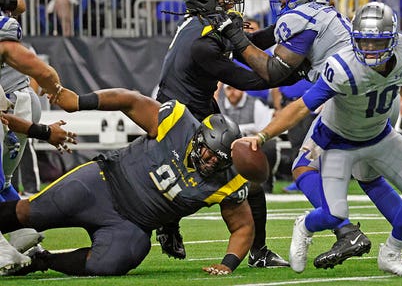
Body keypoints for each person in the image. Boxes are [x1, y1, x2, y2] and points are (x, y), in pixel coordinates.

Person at [221, 0, 402, 269]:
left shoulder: (302, 20)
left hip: (346, 98)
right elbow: (266, 39)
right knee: (369, 175)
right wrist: (236, 43)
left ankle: (345, 231)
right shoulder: (324, 14)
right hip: (377, 99)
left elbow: (273, 72)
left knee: (302, 167)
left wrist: (234, 39)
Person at [0, 87, 259, 277]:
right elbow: (129, 100)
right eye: (209, 153)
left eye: (219, 160)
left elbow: (243, 227)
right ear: (200, 139)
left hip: (133, 225)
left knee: (110, 264)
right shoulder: (177, 122)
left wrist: (228, 263)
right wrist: (80, 101)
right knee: (29, 212)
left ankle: (41, 261)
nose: (212, 162)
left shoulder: (229, 180)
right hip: (102, 184)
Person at [154, 0, 289, 268]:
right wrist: (289, 74)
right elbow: (247, 79)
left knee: (234, 179)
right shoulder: (202, 41)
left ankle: (169, 222)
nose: (231, 0)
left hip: (192, 112)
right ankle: (257, 251)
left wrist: (287, 28)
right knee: (244, 180)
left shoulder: (204, 25)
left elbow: (248, 46)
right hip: (184, 119)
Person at [0, 113, 78, 275]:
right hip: (19, 104)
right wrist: (44, 131)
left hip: (9, 107)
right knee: (5, 181)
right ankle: (22, 232)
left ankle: (3, 250)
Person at [219, 84, 278, 193]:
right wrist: (249, 128)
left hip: (253, 145)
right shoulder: (219, 105)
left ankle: (265, 182)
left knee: (269, 145)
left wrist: (237, 130)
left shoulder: (256, 103)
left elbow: (264, 129)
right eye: (229, 89)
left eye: (236, 88)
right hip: (228, 145)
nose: (232, 92)